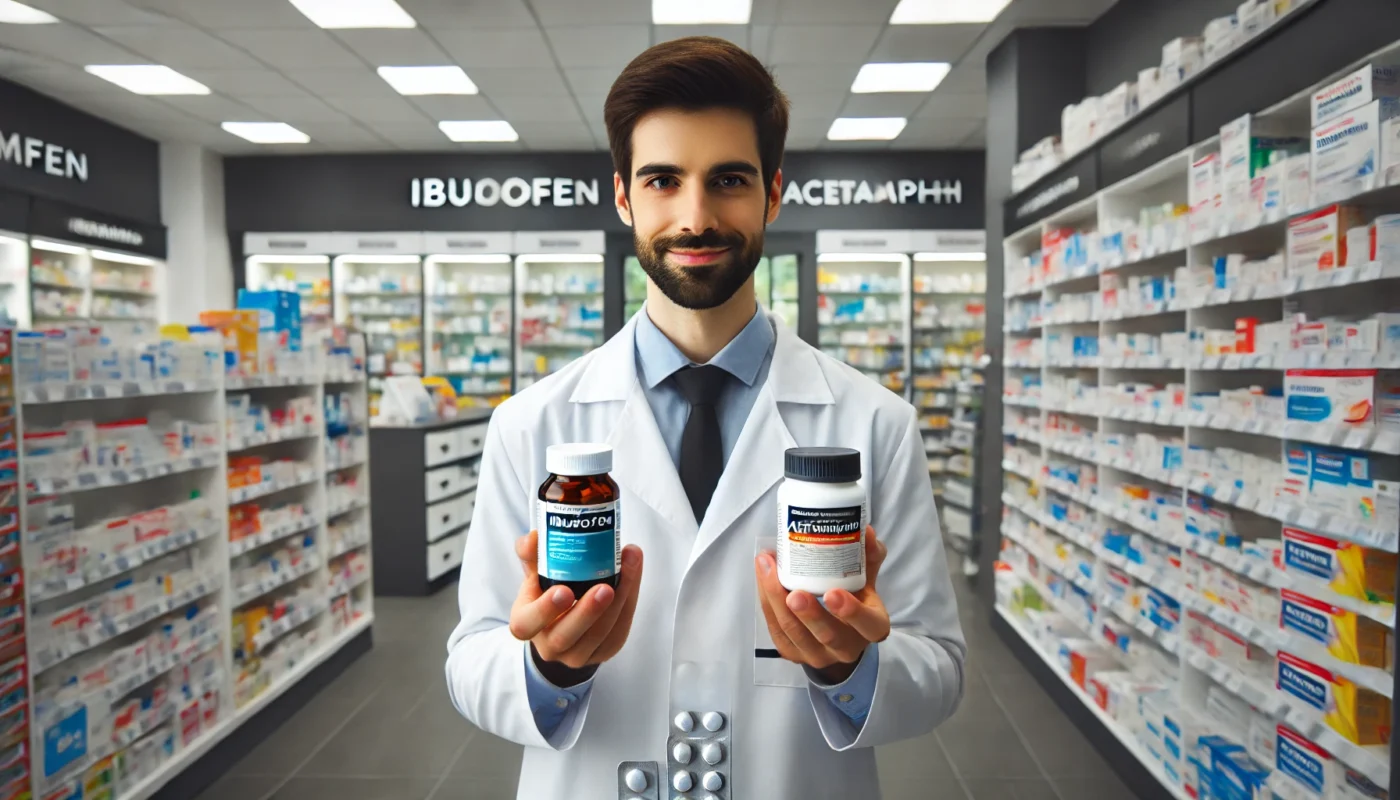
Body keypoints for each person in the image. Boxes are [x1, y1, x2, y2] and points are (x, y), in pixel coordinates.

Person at [445, 36, 966, 799]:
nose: (695, 218)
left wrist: (846, 667)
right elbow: (470, 660)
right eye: (663, 180)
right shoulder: (532, 423)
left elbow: (940, 667)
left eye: (728, 179)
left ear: (773, 194)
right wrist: (550, 666)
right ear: (624, 197)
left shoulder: (873, 421)